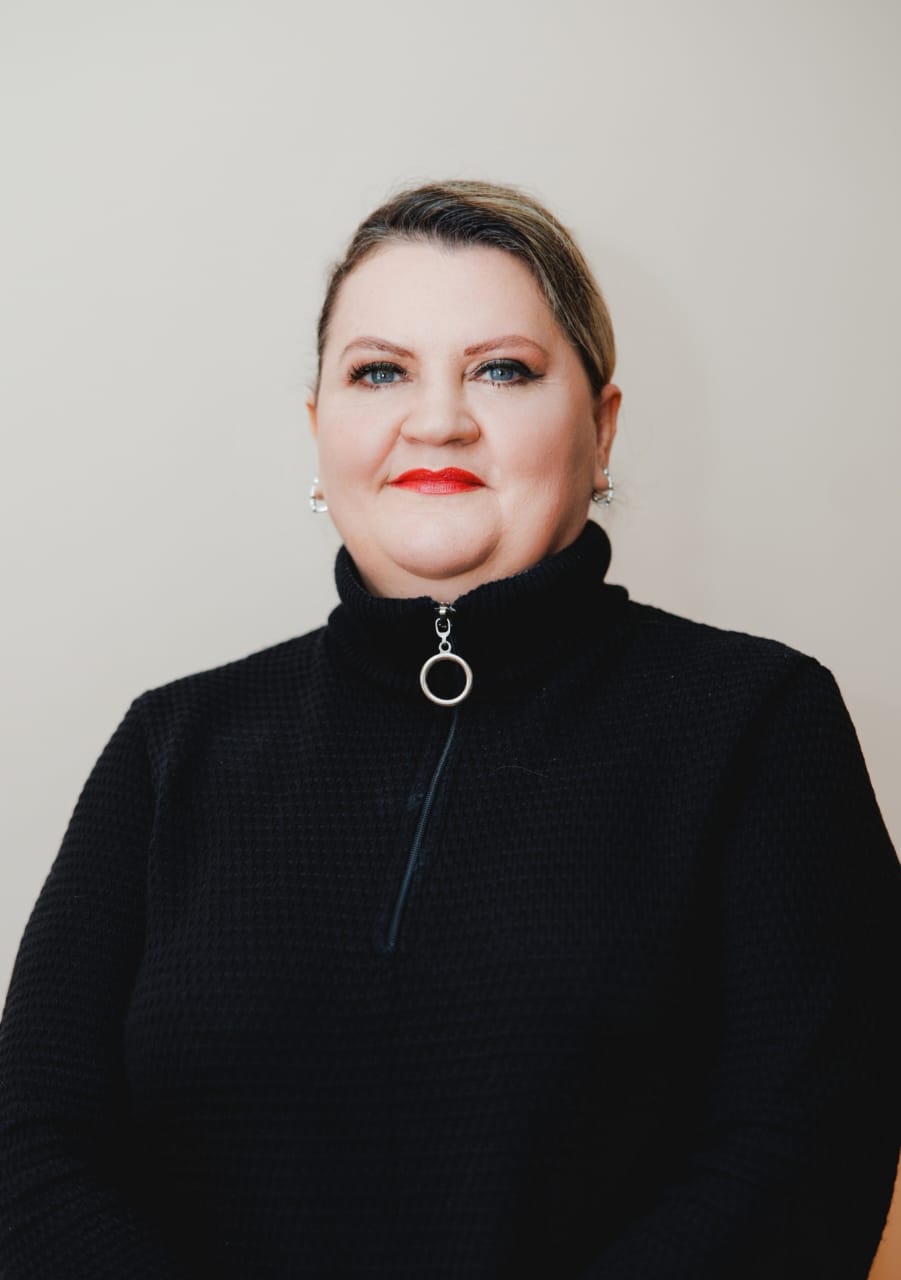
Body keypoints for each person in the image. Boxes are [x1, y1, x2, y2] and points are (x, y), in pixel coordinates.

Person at [0, 179, 899, 1280]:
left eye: (501, 370)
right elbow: (29, 1146)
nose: (436, 420)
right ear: (319, 428)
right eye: (379, 371)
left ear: (603, 427)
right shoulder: (170, 745)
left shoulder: (758, 724)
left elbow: (801, 1160)